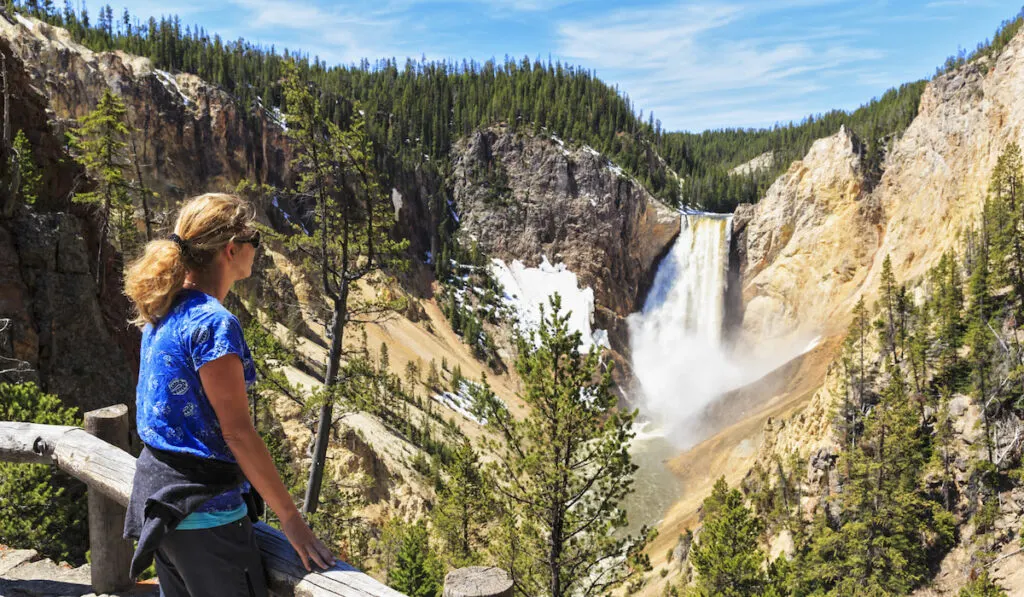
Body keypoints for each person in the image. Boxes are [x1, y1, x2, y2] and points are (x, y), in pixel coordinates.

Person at [122, 193, 333, 597]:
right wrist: (291, 520)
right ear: (230, 249)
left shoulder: (163, 305)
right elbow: (237, 433)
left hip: (160, 504)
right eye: (253, 237)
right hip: (206, 517)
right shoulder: (213, 324)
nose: (258, 247)